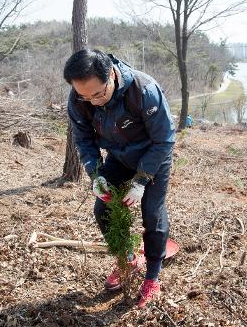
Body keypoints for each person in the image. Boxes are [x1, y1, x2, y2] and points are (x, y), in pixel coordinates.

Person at [64, 49, 175, 308]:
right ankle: (128, 258)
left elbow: (164, 139)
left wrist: (141, 180)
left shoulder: (143, 90)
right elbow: (83, 139)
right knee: (103, 207)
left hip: (153, 156)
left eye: (99, 94)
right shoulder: (79, 98)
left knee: (152, 214)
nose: (94, 102)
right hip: (119, 157)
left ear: (112, 75)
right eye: (85, 96)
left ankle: (152, 278)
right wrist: (95, 173)